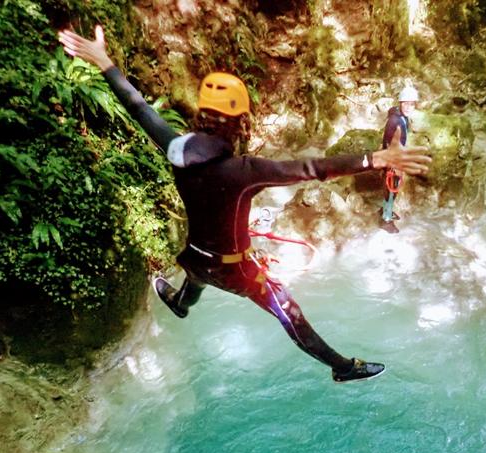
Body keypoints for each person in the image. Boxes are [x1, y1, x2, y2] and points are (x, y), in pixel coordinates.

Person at [58, 26, 431, 382]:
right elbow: (312, 168)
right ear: (239, 124)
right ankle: (342, 367)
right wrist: (373, 159)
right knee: (290, 314)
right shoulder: (244, 171)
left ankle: (181, 303)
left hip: (195, 258)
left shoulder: (175, 148)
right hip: (235, 271)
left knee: (197, 276)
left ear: (202, 116)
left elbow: (139, 108)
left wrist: (104, 61)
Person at [378, 84, 418, 234]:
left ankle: (385, 210)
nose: (408, 107)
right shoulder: (395, 121)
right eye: (406, 104)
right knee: (391, 189)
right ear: (400, 103)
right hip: (392, 160)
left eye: (411, 104)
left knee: (390, 188)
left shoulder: (401, 117)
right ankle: (386, 220)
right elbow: (389, 143)